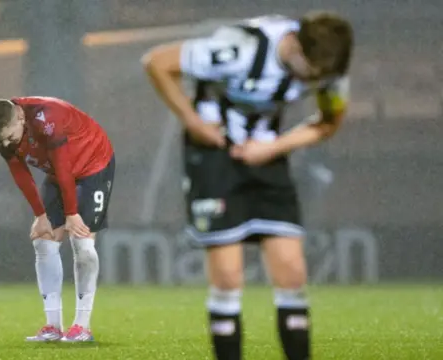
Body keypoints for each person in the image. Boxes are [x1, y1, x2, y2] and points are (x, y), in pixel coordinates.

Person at [142, 11, 353, 360]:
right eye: (310, 72)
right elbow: (157, 62)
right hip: (214, 157)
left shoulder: (329, 68)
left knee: (292, 272)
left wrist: (272, 147)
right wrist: (194, 124)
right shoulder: (238, 48)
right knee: (228, 274)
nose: (314, 82)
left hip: (266, 156)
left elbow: (330, 121)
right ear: (296, 47)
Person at [0, 96, 115, 342]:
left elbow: (64, 166)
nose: (7, 143)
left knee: (82, 244)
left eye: (10, 137)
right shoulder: (4, 131)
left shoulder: (46, 118)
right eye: (1, 140)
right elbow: (20, 172)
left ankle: (81, 326)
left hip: (92, 166)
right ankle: (53, 326)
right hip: (59, 171)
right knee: (43, 241)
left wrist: (71, 214)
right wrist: (40, 215)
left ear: (21, 117)